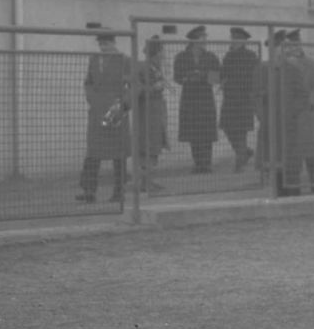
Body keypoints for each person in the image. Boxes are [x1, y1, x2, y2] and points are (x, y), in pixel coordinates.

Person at [77, 30, 134, 203]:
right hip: (97, 110)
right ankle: (89, 191)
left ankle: (119, 190)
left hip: (117, 111)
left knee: (119, 153)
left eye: (106, 43)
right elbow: (88, 82)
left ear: (113, 43)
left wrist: (123, 105)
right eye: (101, 44)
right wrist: (91, 98)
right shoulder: (94, 60)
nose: (103, 47)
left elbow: (133, 85)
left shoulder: (125, 60)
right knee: (93, 151)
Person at [271, 31, 314, 195]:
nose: (294, 47)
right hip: (289, 115)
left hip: (305, 114)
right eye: (290, 45)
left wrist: (312, 102)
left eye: (296, 43)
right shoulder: (282, 66)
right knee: (292, 152)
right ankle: (292, 183)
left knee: (309, 150)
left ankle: (313, 177)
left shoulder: (310, 64)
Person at [172, 26, 221, 174]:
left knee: (206, 131)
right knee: (193, 132)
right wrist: (188, 77)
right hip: (190, 98)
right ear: (193, 40)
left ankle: (206, 163)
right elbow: (177, 77)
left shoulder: (211, 57)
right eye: (202, 37)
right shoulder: (181, 56)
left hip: (205, 98)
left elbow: (216, 78)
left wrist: (203, 76)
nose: (205, 40)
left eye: (205, 37)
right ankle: (198, 163)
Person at [218, 27, 260, 169]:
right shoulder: (228, 56)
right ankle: (244, 152)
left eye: (236, 39)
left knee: (240, 130)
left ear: (243, 41)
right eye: (232, 38)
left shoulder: (251, 56)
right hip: (229, 98)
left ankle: (240, 160)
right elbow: (223, 74)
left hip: (243, 98)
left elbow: (255, 77)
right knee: (227, 127)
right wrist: (222, 81)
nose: (233, 41)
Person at [134, 37, 170, 176]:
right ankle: (145, 180)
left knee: (155, 143)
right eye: (162, 51)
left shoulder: (157, 67)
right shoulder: (142, 67)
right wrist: (153, 88)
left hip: (157, 109)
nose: (164, 54)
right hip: (147, 111)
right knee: (147, 143)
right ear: (157, 52)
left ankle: (149, 179)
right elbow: (137, 88)